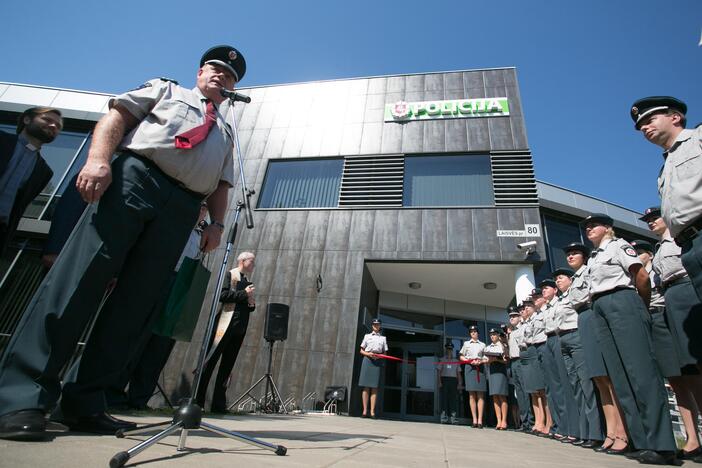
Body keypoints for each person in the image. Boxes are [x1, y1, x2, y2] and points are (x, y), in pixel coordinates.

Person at [0, 45, 245, 440]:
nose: (221, 77)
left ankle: (85, 402)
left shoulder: (226, 131)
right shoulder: (166, 90)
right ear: (200, 73)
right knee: (80, 281)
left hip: (182, 208)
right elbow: (117, 118)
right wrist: (97, 160)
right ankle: (21, 398)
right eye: (215, 70)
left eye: (230, 76)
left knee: (134, 306)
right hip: (137, 177)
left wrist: (216, 224)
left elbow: (221, 183)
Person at [582, 213, 676, 464]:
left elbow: (641, 277)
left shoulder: (619, 245)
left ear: (608, 227)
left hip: (623, 301)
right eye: (587, 226)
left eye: (594, 224)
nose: (589, 228)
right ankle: (641, 441)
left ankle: (663, 445)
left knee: (641, 372)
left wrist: (640, 308)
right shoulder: (595, 258)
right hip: (599, 307)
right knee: (620, 376)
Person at [641, 207, 702, 459]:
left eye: (655, 217)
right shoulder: (658, 253)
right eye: (647, 220)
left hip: (685, 291)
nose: (651, 222)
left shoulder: (682, 241)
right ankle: (692, 439)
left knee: (696, 366)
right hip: (666, 306)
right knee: (678, 376)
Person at [632, 97, 702, 303]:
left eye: (650, 119)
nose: (645, 127)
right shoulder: (664, 171)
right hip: (689, 246)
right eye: (641, 126)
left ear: (675, 117)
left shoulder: (698, 137)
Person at [563, 241, 627, 454]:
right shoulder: (574, 279)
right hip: (583, 317)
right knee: (599, 378)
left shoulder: (590, 269)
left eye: (575, 254)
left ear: (584, 256)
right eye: (568, 254)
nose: (570, 257)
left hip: (592, 312)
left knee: (608, 378)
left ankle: (622, 432)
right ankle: (610, 433)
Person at [195, 251, 256, 412]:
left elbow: (245, 303)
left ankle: (218, 404)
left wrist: (251, 302)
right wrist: (245, 294)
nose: (254, 264)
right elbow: (222, 295)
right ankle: (198, 401)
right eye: (252, 261)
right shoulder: (231, 274)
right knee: (210, 362)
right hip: (224, 324)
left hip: (239, 327)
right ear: (242, 261)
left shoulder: (246, 280)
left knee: (227, 366)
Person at [551, 266, 603, 449]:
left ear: (571, 280)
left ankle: (596, 433)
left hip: (576, 335)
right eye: (557, 279)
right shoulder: (559, 300)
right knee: (575, 387)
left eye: (561, 277)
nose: (558, 280)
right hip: (563, 339)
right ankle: (584, 432)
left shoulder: (576, 293)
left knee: (586, 384)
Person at [0, 107, 63, 255]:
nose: (53, 126)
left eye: (58, 126)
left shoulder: (44, 171)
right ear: (27, 119)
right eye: (47, 120)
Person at [538, 277, 579, 443]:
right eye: (543, 288)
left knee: (565, 384)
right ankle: (561, 426)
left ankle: (572, 428)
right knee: (554, 387)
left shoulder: (560, 302)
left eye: (547, 287)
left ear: (555, 290)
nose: (544, 290)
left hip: (558, 338)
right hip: (549, 340)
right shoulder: (545, 307)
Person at [519, 295, 552, 436]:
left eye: (528, 305)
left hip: (537, 349)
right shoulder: (526, 322)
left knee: (542, 390)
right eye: (524, 306)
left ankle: (548, 422)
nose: (525, 308)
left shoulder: (541, 315)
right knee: (533, 391)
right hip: (528, 352)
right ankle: (539, 421)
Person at [507, 306, 534, 431]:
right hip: (513, 362)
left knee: (525, 390)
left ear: (519, 317)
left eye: (514, 316)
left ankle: (530, 421)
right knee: (519, 393)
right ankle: (524, 422)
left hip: (521, 360)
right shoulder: (511, 332)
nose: (511, 318)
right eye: (510, 317)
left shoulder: (523, 327)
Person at [358, 318, 388, 419]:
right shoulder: (367, 336)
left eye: (378, 324)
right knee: (366, 386)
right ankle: (364, 411)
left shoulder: (383, 338)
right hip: (367, 360)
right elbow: (361, 351)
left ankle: (372, 412)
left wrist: (379, 356)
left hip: (377, 361)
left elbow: (385, 353)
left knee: (374, 387)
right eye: (374, 324)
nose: (376, 326)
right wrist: (369, 354)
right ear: (372, 326)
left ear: (380, 326)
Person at [459, 325, 487, 428]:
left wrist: (480, 361)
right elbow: (461, 356)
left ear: (478, 333)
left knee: (480, 395)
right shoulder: (466, 344)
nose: (473, 333)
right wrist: (468, 360)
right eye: (471, 332)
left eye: (475, 331)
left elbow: (486, 358)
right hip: (469, 368)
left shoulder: (483, 344)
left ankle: (480, 420)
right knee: (471, 395)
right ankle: (474, 420)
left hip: (480, 369)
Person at [484, 328, 508, 430]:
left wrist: (497, 359)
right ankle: (498, 420)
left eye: (494, 334)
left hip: (500, 370)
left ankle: (504, 421)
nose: (492, 336)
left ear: (498, 335)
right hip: (492, 371)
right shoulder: (488, 347)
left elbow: (506, 360)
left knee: (502, 396)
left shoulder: (503, 345)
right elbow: (486, 360)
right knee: (495, 396)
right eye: (491, 335)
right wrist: (488, 360)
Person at [436, 342, 460, 424]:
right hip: (444, 380)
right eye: (448, 349)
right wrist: (439, 382)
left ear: (452, 350)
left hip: (453, 381)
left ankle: (453, 418)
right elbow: (439, 372)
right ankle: (444, 418)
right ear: (446, 349)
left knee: (453, 400)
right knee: (444, 399)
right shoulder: (442, 359)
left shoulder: (456, 360)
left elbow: (458, 373)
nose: (449, 350)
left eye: (450, 349)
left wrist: (460, 383)